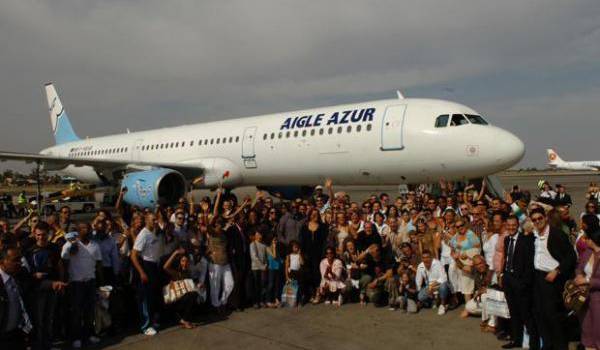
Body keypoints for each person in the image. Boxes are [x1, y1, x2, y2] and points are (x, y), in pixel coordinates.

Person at [530, 208, 577, 350]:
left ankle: (561, 346)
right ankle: (548, 345)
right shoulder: (535, 234)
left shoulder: (557, 235)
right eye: (534, 219)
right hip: (538, 278)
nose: (537, 221)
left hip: (553, 280)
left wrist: (557, 271)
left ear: (545, 218)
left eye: (540, 218)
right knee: (541, 314)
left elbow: (571, 257)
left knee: (554, 316)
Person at [23, 222, 67, 350]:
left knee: (49, 318)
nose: (41, 237)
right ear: (34, 234)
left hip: (54, 287)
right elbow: (25, 272)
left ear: (48, 234)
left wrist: (61, 282)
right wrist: (34, 275)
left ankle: (48, 345)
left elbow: (60, 266)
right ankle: (39, 345)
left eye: (43, 235)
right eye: (38, 235)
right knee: (39, 320)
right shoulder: (29, 251)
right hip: (38, 289)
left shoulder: (54, 247)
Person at [61, 223, 103, 348]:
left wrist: (101, 281)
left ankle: (89, 334)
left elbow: (99, 264)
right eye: (84, 228)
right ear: (78, 230)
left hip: (90, 281)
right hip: (76, 283)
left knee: (89, 310)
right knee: (77, 311)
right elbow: (63, 258)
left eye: (88, 228)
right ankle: (76, 337)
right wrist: (71, 247)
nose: (87, 230)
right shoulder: (71, 244)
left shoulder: (95, 245)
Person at [500, 216, 539, 350]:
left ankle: (534, 344)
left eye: (513, 225)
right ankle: (516, 340)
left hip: (521, 282)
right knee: (513, 312)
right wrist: (502, 275)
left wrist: (524, 283)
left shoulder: (526, 240)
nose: (511, 228)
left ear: (518, 226)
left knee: (526, 314)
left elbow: (529, 264)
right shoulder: (506, 239)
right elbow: (506, 258)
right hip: (508, 279)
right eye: (508, 225)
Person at [130, 213, 162, 336]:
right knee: (144, 298)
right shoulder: (143, 234)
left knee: (151, 297)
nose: (155, 222)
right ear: (146, 220)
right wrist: (142, 272)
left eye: (156, 220)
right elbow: (133, 256)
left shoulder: (152, 232)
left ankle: (151, 322)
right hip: (146, 267)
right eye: (153, 220)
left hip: (153, 266)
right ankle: (145, 326)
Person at [574, 218, 600, 350]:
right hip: (583, 296)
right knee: (586, 328)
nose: (585, 240)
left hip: (597, 298)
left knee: (598, 330)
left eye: (587, 238)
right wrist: (579, 274)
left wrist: (587, 281)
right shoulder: (588, 252)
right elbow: (579, 266)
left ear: (593, 240)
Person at [0, 246, 32, 349]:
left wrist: (52, 283)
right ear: (2, 262)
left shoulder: (21, 275)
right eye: (15, 260)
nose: (20, 263)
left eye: (20, 259)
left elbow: (35, 284)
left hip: (17, 335)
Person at [162, 248, 199, 329]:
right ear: (180, 262)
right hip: (175, 301)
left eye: (186, 261)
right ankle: (183, 320)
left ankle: (184, 319)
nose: (185, 263)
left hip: (184, 301)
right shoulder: (177, 273)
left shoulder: (188, 273)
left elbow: (191, 287)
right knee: (191, 295)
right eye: (183, 261)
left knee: (194, 294)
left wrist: (198, 286)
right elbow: (165, 267)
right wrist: (175, 253)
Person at [415, 250, 450, 315]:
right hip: (429, 286)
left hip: (439, 284)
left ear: (431, 257)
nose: (426, 259)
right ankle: (433, 300)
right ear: (422, 258)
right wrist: (419, 294)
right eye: (424, 258)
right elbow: (418, 281)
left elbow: (444, 278)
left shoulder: (437, 263)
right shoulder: (420, 266)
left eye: (427, 257)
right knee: (420, 296)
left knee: (444, 286)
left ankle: (442, 305)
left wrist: (432, 285)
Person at [249, 228, 268, 308]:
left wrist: (266, 264)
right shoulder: (252, 244)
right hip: (256, 268)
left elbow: (266, 256)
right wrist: (262, 266)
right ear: (255, 236)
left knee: (263, 285)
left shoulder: (264, 244)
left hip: (263, 268)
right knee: (256, 285)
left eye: (260, 234)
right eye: (258, 235)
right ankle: (255, 302)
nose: (259, 236)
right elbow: (254, 257)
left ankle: (262, 301)